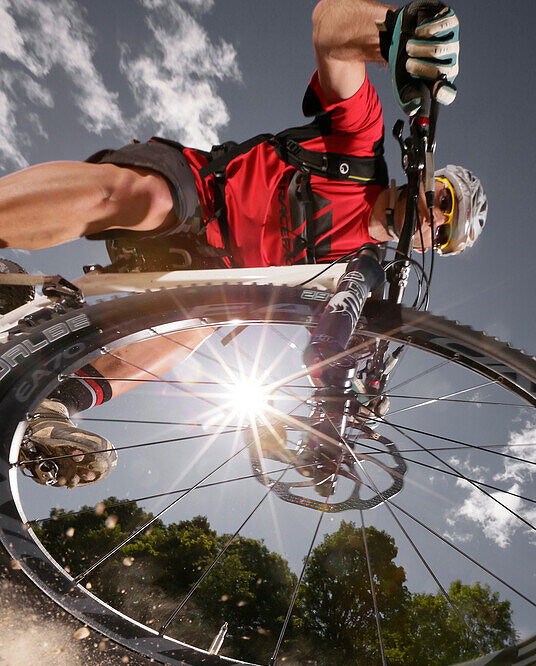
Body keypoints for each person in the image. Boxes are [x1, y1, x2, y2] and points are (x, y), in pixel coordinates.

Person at [0, 0, 487, 488]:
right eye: (445, 200)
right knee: (145, 198)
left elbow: (340, 356)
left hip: (210, 276)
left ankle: (56, 401)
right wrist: (395, 28)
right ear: (429, 180)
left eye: (443, 233)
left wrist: (348, 411)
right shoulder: (359, 144)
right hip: (198, 194)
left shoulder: (359, 272)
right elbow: (331, 28)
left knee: (198, 324)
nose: (435, 218)